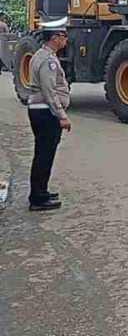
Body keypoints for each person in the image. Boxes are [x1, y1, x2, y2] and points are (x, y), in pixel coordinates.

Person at [26, 18, 72, 212]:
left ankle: (41, 191)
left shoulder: (43, 55)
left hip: (42, 111)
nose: (66, 40)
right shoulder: (48, 60)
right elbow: (49, 91)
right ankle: (38, 197)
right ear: (55, 37)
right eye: (64, 36)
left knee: (44, 154)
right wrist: (62, 116)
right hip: (45, 112)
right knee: (44, 155)